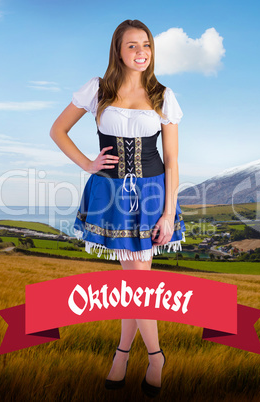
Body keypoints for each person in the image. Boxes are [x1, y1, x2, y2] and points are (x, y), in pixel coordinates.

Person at [50, 19, 185, 398]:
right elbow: (57, 130)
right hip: (110, 193)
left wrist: (169, 212)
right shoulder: (98, 88)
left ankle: (142, 356)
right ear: (118, 50)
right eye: (132, 46)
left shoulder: (162, 95)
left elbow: (172, 160)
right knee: (135, 280)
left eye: (146, 45)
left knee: (136, 281)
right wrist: (87, 164)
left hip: (153, 194)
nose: (141, 52)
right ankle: (136, 355)